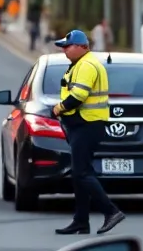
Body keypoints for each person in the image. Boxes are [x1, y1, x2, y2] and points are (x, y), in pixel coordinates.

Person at [51, 29, 126, 235]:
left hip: (87, 124)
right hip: (83, 125)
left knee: (82, 172)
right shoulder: (80, 64)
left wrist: (58, 108)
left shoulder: (86, 65)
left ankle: (111, 211)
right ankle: (81, 221)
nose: (64, 50)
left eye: (67, 46)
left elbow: (78, 97)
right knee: (79, 173)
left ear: (81, 46)